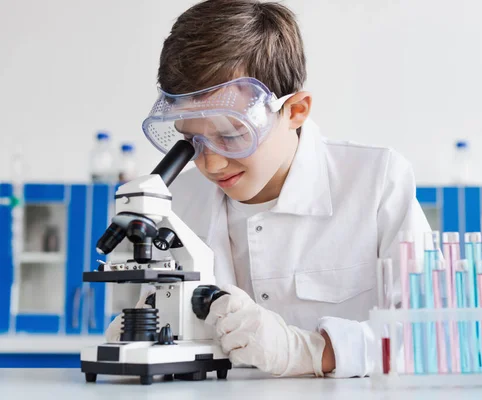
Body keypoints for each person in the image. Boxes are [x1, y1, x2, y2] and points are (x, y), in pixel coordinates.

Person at [106, 0, 431, 378]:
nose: (211, 164)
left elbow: (428, 333)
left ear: (295, 111)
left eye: (231, 136)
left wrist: (312, 352)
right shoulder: (180, 200)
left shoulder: (375, 181)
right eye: (192, 142)